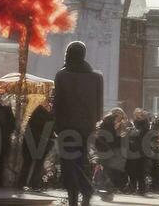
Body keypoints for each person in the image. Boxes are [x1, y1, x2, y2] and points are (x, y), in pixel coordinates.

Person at [53, 41, 104, 206]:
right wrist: (92, 122)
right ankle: (82, 196)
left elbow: (58, 103)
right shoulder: (97, 77)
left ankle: (79, 195)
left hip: (65, 126)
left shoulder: (62, 75)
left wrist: (56, 125)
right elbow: (99, 107)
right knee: (80, 162)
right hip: (86, 127)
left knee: (69, 163)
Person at [20, 99, 55, 191]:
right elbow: (49, 132)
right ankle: (34, 184)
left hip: (29, 142)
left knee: (27, 163)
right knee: (38, 165)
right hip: (41, 143)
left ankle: (21, 183)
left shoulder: (35, 114)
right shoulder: (49, 117)